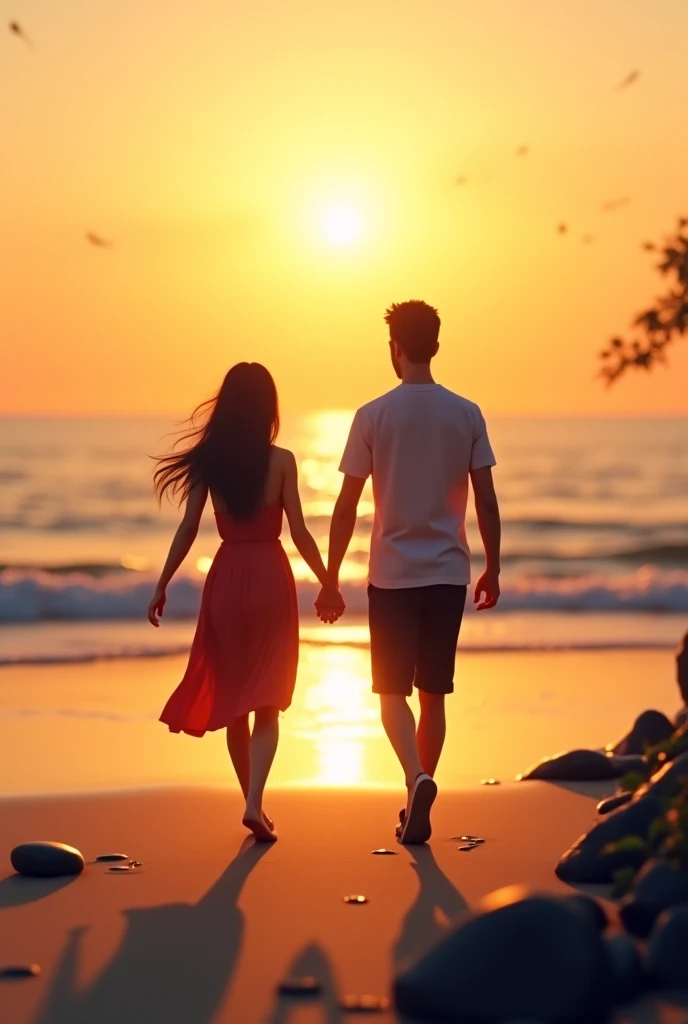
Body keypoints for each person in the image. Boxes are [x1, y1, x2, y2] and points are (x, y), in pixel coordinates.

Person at [316, 301, 501, 844]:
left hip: (393, 574)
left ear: (394, 348)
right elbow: (485, 501)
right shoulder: (466, 412)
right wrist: (492, 564)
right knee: (434, 694)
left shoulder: (373, 415)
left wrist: (330, 578)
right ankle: (418, 792)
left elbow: (346, 504)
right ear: (436, 347)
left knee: (391, 692)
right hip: (448, 573)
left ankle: (415, 780)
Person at [148, 363, 343, 842]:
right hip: (270, 581)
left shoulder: (210, 462)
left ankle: (252, 803)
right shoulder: (282, 460)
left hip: (226, 580)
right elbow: (298, 530)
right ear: (267, 409)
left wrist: (162, 582)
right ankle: (256, 803)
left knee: (236, 704)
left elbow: (189, 527)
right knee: (268, 702)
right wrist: (328, 582)